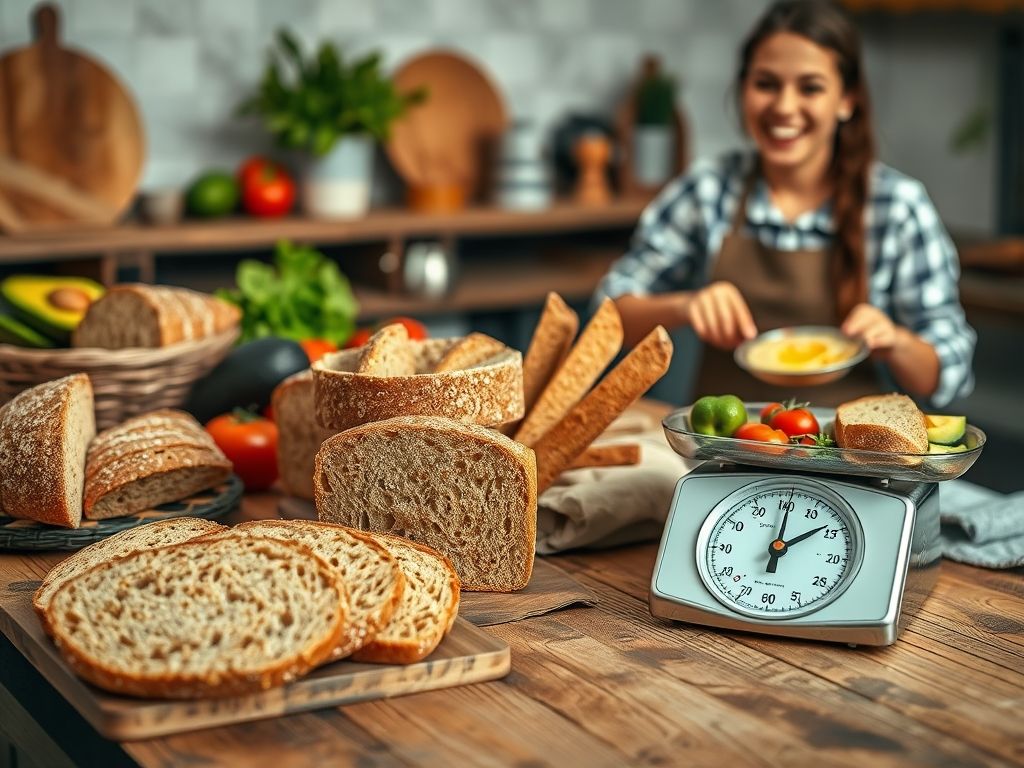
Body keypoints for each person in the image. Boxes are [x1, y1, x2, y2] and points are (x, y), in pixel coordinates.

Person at [595, 0, 975, 408]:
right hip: (722, 448)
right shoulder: (707, 190)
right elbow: (608, 317)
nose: (784, 107)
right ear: (743, 90)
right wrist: (684, 305)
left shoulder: (897, 207)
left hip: (850, 456)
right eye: (766, 84)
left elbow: (947, 372)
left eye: (810, 87)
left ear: (847, 100)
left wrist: (896, 342)